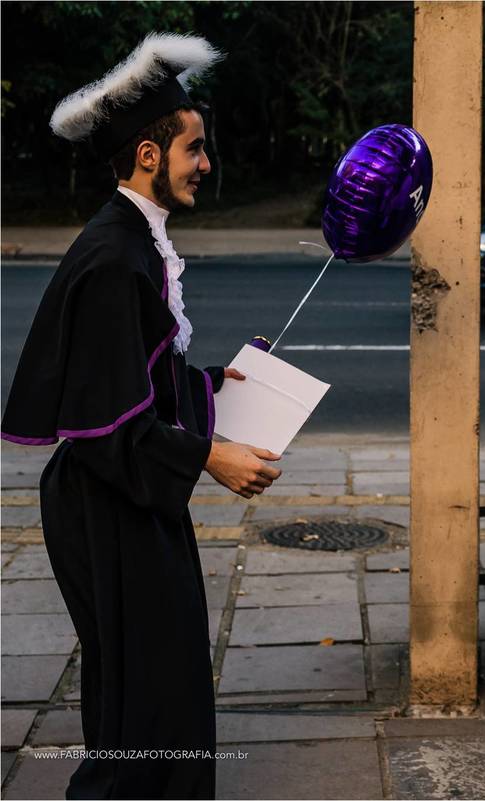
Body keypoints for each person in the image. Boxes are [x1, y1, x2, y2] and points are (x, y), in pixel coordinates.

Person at [1, 33, 282, 798]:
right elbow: (106, 426)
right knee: (144, 708)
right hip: (105, 506)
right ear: (150, 155)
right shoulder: (114, 258)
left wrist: (215, 385)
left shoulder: (136, 244)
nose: (206, 164)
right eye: (195, 148)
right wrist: (212, 455)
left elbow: (136, 381)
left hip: (125, 498)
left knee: (163, 687)